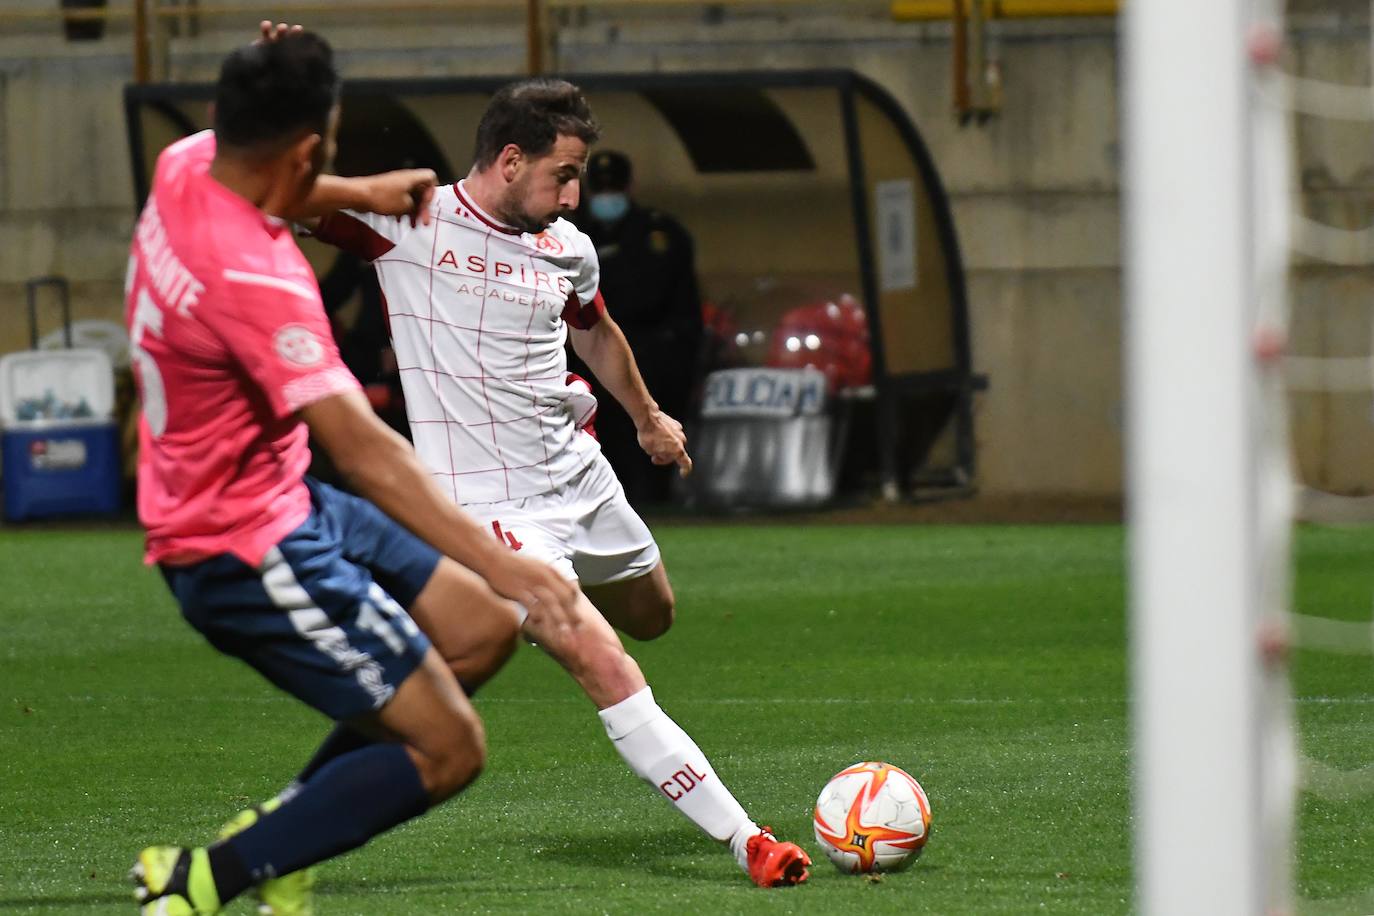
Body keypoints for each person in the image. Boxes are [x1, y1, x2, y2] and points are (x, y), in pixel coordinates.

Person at [306, 79, 811, 888]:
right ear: (510, 161)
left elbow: (597, 329)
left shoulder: (567, 245)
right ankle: (746, 838)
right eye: (564, 174)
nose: (575, 194)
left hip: (582, 479)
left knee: (654, 616)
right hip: (492, 512)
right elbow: (278, 193)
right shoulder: (412, 221)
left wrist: (647, 419)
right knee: (602, 659)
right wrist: (287, 102)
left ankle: (549, 606)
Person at [124, 29, 579, 915]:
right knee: (451, 750)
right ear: (305, 149)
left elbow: (270, 170)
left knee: (481, 629)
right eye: (329, 142)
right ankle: (201, 882)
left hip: (281, 496)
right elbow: (369, 455)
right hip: (239, 548)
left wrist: (359, 191)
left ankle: (284, 836)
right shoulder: (260, 280)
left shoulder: (184, 166)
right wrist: (509, 559)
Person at [576, 149, 705, 506]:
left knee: (651, 451)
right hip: (589, 358)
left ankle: (660, 506)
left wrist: (678, 356)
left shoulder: (659, 232)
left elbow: (685, 305)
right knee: (605, 450)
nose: (606, 196)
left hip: (652, 354)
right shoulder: (572, 234)